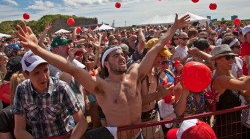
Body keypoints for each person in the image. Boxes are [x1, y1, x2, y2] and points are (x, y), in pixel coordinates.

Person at [15, 14, 190, 139]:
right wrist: (38, 49)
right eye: (116, 56)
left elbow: (157, 46)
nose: (122, 57)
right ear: (106, 63)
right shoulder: (101, 86)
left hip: (138, 135)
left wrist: (174, 28)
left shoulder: (135, 75)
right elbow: (71, 69)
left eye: (122, 54)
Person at [12, 50, 87, 139]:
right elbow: (19, 130)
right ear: (25, 75)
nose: (43, 77)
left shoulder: (61, 88)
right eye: (37, 73)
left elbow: (82, 122)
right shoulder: (22, 90)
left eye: (45, 70)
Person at [211, 44, 250, 139]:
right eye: (228, 57)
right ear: (217, 60)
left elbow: (245, 93)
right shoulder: (220, 79)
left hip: (234, 124)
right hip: (225, 128)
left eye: (233, 57)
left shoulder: (228, 77)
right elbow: (245, 85)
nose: (232, 60)